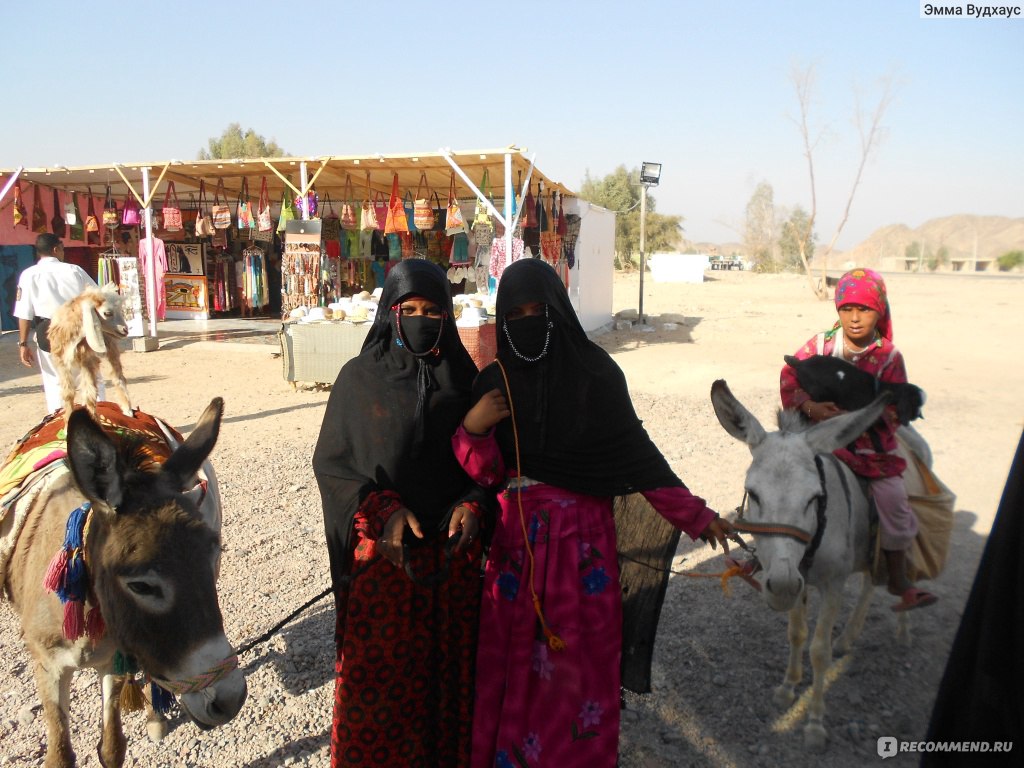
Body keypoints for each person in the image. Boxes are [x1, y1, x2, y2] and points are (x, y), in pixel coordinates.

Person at [453, 259, 733, 768]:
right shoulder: (495, 382)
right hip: (519, 552)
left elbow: (640, 460)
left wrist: (699, 516)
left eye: (540, 308)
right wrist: (472, 428)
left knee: (576, 671)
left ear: (559, 309)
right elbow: (486, 475)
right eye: (515, 313)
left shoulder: (597, 374)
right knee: (516, 665)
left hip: (584, 553)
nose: (529, 320)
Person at [312, 259, 491, 768]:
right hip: (385, 565)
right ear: (389, 313)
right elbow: (335, 467)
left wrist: (474, 504)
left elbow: (486, 465)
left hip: (451, 571)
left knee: (447, 691)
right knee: (379, 692)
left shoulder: (464, 379)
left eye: (432, 310)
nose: (419, 319)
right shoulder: (357, 380)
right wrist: (383, 511)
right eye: (407, 309)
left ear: (448, 317)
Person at [780, 267, 937, 612]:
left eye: (864, 310)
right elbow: (791, 374)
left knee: (894, 499)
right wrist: (810, 406)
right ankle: (768, 558)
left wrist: (859, 417)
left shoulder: (889, 357)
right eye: (846, 309)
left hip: (868, 443)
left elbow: (895, 409)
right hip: (816, 433)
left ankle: (898, 578)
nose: (854, 318)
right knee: (775, 475)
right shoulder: (820, 345)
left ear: (879, 310)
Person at [14, 233, 102, 413]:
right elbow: (97, 298)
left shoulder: (29, 275)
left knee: (55, 380)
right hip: (78, 328)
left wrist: (23, 343)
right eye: (62, 248)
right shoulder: (74, 270)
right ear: (56, 249)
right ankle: (100, 415)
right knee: (90, 375)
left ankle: (60, 421)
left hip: (48, 331)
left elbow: (24, 313)